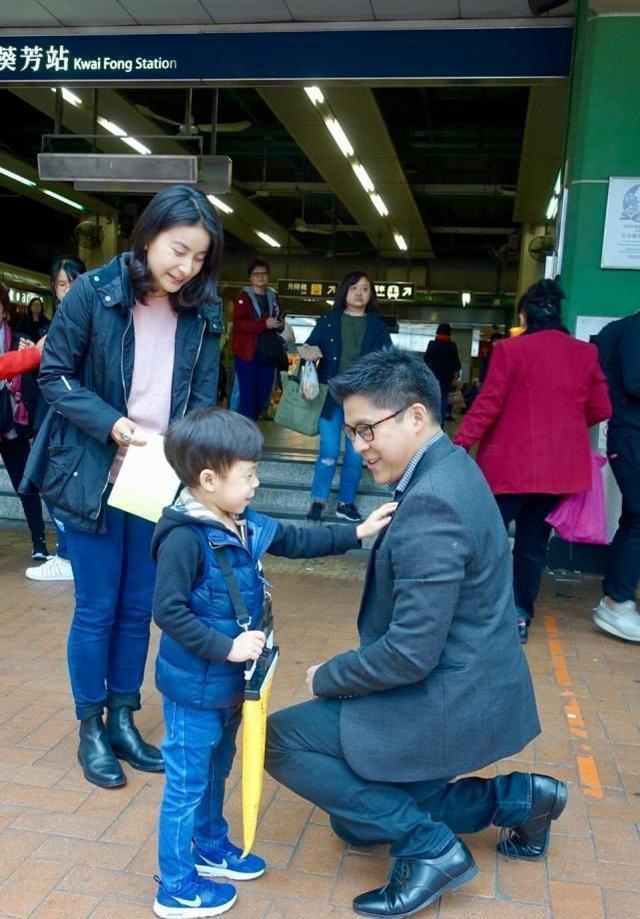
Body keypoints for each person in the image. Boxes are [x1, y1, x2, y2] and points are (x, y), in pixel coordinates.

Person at [266, 347, 566, 919]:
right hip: (473, 678)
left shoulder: (433, 503)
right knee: (356, 817)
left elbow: (409, 655)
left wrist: (329, 677)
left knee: (283, 741)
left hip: (447, 695)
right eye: (351, 432)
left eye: (366, 430)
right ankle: (522, 799)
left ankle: (430, 852)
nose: (359, 446)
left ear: (415, 416)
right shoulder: (450, 465)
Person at [151, 407, 395, 918]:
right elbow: (167, 611)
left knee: (216, 770)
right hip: (195, 687)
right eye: (249, 475)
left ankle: (209, 847)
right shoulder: (184, 537)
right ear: (209, 479)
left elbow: (298, 540)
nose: (257, 484)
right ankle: (175, 887)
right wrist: (226, 647)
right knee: (186, 785)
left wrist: (357, 534)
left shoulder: (242, 521)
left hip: (229, 688)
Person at [22, 185, 224, 789]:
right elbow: (54, 377)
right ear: (150, 234)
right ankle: (91, 726)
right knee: (97, 607)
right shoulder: (94, 293)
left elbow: (204, 397)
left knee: (140, 607)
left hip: (155, 474)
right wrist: (112, 424)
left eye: (197, 260)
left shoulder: (201, 311)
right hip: (91, 469)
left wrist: (190, 457)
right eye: (178, 250)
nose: (184, 268)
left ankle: (123, 716)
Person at [454, 279, 611, 643]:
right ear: (558, 313)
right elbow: (602, 407)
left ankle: (471, 609)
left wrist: (459, 444)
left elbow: (488, 404)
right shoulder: (584, 354)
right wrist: (564, 427)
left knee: (484, 538)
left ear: (524, 316)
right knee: (532, 545)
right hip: (557, 472)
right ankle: (520, 615)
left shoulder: (511, 351)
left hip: (508, 467)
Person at [299, 272, 392, 523]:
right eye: (353, 288)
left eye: (364, 288)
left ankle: (345, 503)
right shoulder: (329, 320)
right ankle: (318, 500)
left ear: (370, 294)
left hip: (362, 403)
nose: (359, 293)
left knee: (355, 455)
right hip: (331, 399)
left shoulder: (377, 327)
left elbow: (389, 360)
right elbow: (307, 347)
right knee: (328, 451)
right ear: (344, 292)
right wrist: (309, 352)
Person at [25, 255, 87, 583]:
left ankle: (68, 556)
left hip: (76, 413)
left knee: (54, 483)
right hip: (54, 411)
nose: (67, 290)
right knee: (49, 482)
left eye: (73, 282)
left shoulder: (87, 318)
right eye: (61, 284)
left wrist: (35, 354)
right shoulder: (59, 320)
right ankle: (68, 554)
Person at [592, 310, 640, 641]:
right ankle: (616, 601)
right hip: (633, 434)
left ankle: (616, 596)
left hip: (628, 434)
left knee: (634, 516)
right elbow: (635, 380)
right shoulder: (634, 330)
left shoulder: (622, 328)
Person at [0, 285, 50, 561]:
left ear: (4, 311)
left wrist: (34, 357)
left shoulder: (18, 339)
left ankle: (39, 539)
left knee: (25, 484)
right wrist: (31, 356)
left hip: (12, 427)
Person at [231, 259, 286, 421]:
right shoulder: (243, 296)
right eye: (256, 274)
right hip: (247, 353)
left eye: (263, 273)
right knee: (248, 393)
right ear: (250, 277)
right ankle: (248, 430)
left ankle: (251, 423)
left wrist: (279, 324)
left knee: (264, 392)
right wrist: (264, 324)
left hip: (268, 352)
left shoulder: (273, 296)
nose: (260, 277)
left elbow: (280, 315)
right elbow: (239, 323)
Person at [423, 322, 461, 425]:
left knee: (431, 402)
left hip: (432, 379)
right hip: (446, 381)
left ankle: (429, 425)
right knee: (443, 403)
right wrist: (455, 377)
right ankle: (440, 427)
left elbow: (425, 361)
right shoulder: (452, 346)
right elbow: (456, 364)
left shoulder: (432, 345)